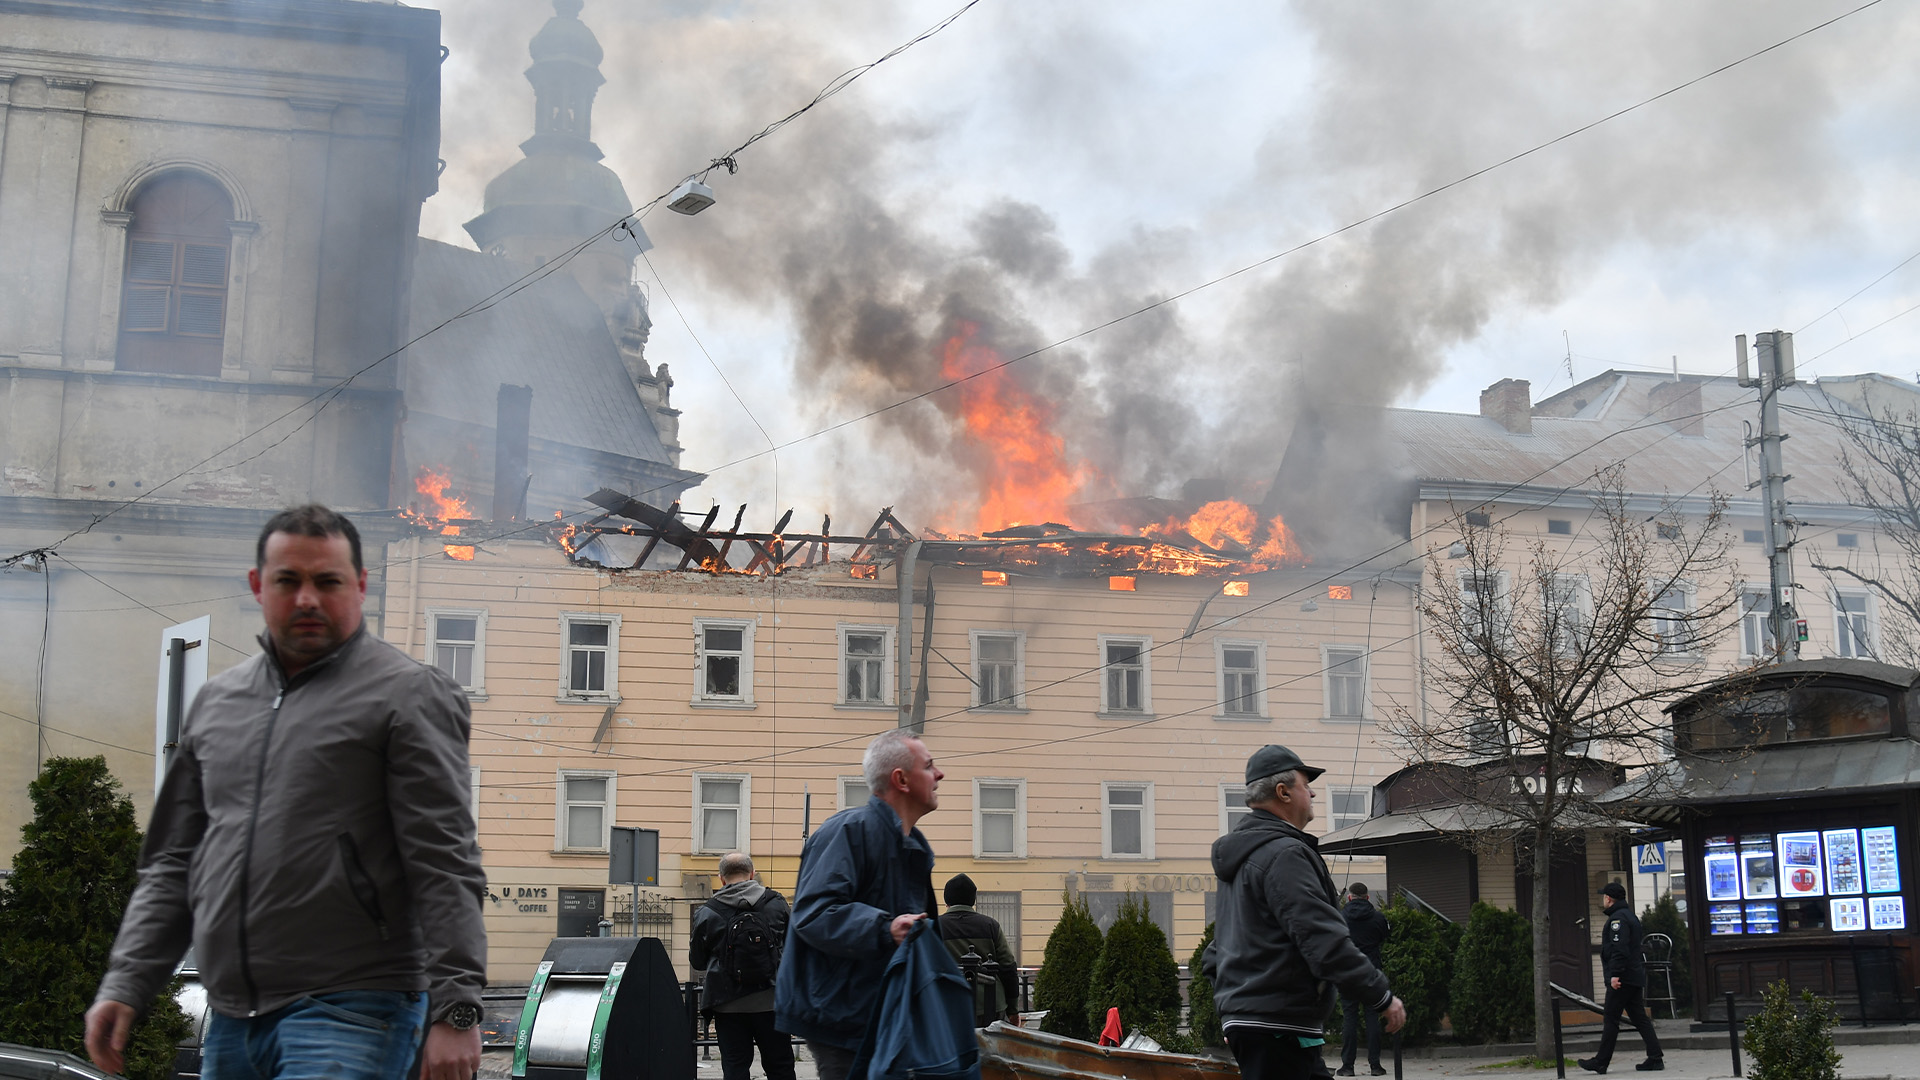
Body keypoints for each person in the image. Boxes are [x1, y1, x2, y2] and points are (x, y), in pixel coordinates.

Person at [84, 505, 488, 1080]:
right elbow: (174, 862)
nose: (306, 599)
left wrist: (456, 1007)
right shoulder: (218, 702)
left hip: (353, 1007)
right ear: (257, 586)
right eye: (288, 581)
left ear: (360, 585)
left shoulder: (408, 695)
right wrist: (126, 981)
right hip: (232, 1019)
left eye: (327, 582)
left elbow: (444, 858)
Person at [1205, 745, 1406, 1080]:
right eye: (1304, 784)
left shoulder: (1244, 859)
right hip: (1279, 1026)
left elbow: (1215, 954)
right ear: (1283, 792)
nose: (1312, 792)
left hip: (1264, 1025)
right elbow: (1323, 940)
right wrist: (1381, 996)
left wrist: (1231, 1013)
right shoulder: (1284, 855)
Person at [774, 730, 943, 1080]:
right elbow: (814, 912)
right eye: (928, 766)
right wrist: (885, 927)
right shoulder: (850, 831)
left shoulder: (912, 844)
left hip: (881, 1014)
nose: (940, 774)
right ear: (901, 779)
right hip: (843, 1017)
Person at [691, 852, 796, 1080]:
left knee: (735, 1068)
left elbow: (697, 961)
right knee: (781, 1066)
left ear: (721, 878)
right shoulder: (776, 903)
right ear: (752, 874)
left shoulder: (707, 912)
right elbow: (794, 949)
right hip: (772, 1001)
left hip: (727, 1004)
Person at [1579, 882, 1664, 1074]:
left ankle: (1601, 1061)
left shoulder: (1618, 920)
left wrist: (1615, 975)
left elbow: (1620, 949)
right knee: (1639, 1017)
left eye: (1604, 896)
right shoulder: (1629, 916)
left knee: (1611, 1018)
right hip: (1633, 975)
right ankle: (1655, 1057)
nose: (1603, 899)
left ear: (1609, 898)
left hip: (1623, 978)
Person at [936, 873, 1019, 1028]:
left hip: (947, 1005)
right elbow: (1008, 966)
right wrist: (1013, 1010)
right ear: (973, 900)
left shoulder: (934, 927)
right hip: (991, 1004)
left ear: (946, 900)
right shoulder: (991, 925)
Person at [1336, 883, 1390, 1077]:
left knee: (1350, 1018)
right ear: (1368, 897)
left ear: (1349, 897)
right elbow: (1384, 936)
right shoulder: (1378, 917)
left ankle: (1347, 1067)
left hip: (1348, 972)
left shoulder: (1340, 917)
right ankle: (1375, 1065)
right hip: (1371, 973)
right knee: (1372, 1017)